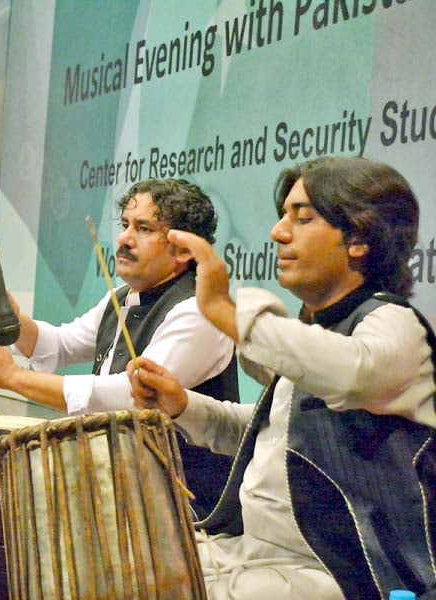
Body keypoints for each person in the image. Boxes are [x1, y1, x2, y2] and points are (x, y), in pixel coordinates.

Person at [127, 156, 436, 599]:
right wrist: (182, 406)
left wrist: (226, 313)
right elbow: (275, 437)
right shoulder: (319, 335)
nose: (278, 232)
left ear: (360, 240)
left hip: (339, 576)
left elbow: (356, 372)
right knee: (124, 562)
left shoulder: (396, 325)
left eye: (302, 218)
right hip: (257, 557)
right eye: (282, 216)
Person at [0, 178, 240, 517]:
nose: (125, 239)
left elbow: (127, 398)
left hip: (186, 511)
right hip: (122, 491)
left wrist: (13, 378)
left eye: (144, 228)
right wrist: (14, 322)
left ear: (184, 250)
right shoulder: (121, 299)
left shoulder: (196, 312)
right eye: (125, 225)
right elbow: (61, 344)